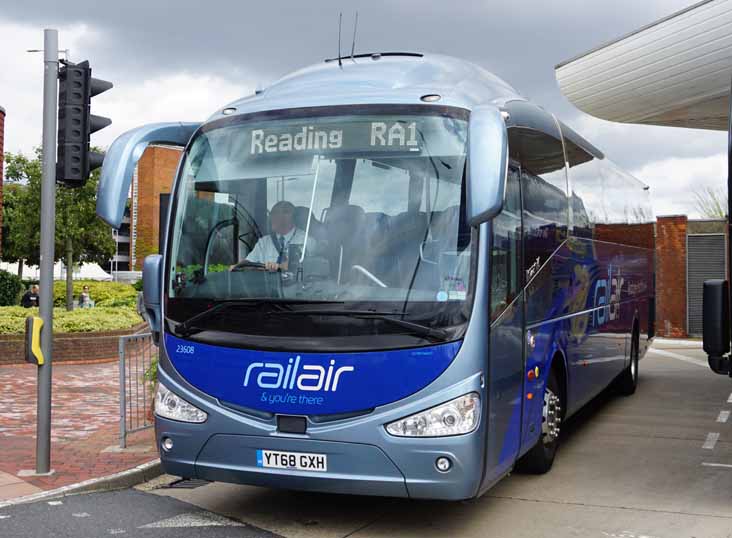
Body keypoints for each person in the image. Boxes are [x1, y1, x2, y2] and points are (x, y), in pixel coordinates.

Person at [235, 201, 309, 272]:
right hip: (267, 284)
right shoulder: (264, 242)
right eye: (272, 214)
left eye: (276, 214)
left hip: (295, 284)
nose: (272, 218)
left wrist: (278, 267)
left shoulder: (305, 240)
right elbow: (249, 262)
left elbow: (303, 265)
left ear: (291, 216)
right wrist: (236, 266)